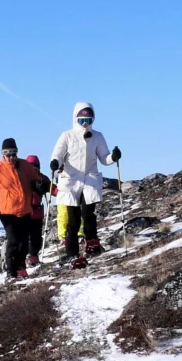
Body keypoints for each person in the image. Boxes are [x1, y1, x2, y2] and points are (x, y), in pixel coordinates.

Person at [50, 103, 119, 268]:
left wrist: (113, 158)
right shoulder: (67, 136)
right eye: (81, 120)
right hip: (71, 181)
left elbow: (104, 158)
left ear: (93, 119)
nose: (85, 124)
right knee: (73, 220)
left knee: (89, 214)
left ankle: (92, 242)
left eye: (88, 119)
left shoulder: (97, 136)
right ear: (75, 118)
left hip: (89, 180)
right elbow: (57, 154)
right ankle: (72, 254)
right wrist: (55, 163)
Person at [0, 138, 40, 279]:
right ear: (3, 154)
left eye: (14, 154)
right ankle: (11, 272)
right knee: (14, 241)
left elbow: (36, 179)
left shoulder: (26, 166)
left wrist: (39, 185)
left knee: (24, 241)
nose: (11, 157)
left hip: (25, 210)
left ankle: (21, 268)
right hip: (7, 212)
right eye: (8, 154)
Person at [22, 154, 52, 268]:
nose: (33, 170)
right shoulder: (22, 178)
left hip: (36, 213)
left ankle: (33, 257)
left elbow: (53, 189)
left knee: (36, 237)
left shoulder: (43, 179)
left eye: (35, 168)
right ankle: (25, 258)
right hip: (25, 212)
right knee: (24, 237)